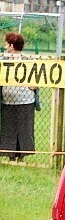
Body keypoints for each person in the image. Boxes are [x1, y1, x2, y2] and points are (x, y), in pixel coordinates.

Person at [0, 32, 36, 161]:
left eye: (6, 44)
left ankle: (21, 157)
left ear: (11, 45)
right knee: (8, 129)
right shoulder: (3, 59)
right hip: (7, 101)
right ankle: (10, 156)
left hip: (25, 101)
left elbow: (36, 82)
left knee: (24, 129)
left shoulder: (28, 60)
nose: (5, 47)